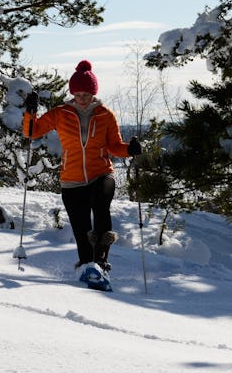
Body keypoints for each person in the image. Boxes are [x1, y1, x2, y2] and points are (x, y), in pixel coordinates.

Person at [22, 60, 142, 273]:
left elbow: (115, 146)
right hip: (72, 179)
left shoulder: (105, 115)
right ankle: (88, 268)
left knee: (101, 204)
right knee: (81, 229)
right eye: (77, 95)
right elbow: (32, 131)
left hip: (101, 173)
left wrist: (129, 150)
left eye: (86, 94)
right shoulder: (61, 113)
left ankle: (102, 261)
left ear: (93, 93)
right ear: (72, 94)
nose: (82, 99)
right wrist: (30, 112)